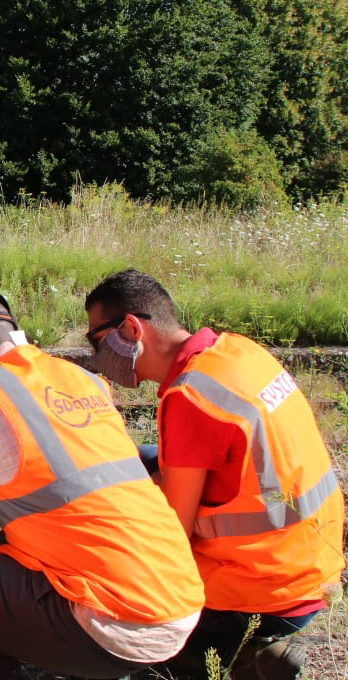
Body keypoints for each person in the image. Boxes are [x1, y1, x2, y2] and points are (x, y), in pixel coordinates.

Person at [0, 285, 206, 680]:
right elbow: (56, 494)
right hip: (177, 600)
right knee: (7, 542)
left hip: (114, 627)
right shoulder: (81, 379)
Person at [84, 269, 345, 679]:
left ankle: (250, 657)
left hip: (260, 595)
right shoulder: (237, 351)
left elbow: (172, 535)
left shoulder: (191, 396)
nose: (97, 359)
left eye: (96, 342)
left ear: (132, 329)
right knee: (144, 458)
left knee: (113, 640)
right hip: (311, 564)